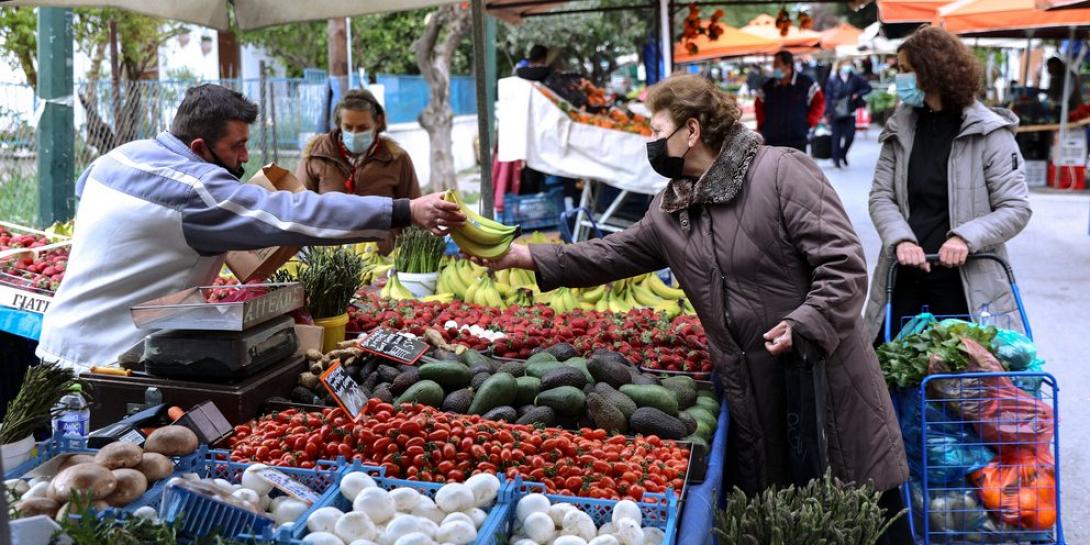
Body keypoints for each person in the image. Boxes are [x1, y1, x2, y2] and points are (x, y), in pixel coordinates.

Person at [477, 74, 909, 538]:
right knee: (789, 522)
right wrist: (521, 256)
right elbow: (610, 254)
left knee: (859, 519)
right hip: (751, 391)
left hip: (823, 382)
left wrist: (804, 322)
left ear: (692, 131)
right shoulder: (670, 208)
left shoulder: (781, 171)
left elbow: (844, 267)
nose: (651, 142)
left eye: (657, 130)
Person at [36, 84, 465, 371]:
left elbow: (87, 193)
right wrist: (404, 210)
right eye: (237, 146)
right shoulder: (197, 188)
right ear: (200, 147)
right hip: (106, 359)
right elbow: (298, 214)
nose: (245, 157)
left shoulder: (118, 158)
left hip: (58, 342)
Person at [865, 27, 1032, 349]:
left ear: (930, 72)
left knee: (963, 386)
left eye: (904, 70)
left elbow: (1016, 208)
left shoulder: (991, 134)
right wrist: (901, 240)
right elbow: (881, 196)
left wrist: (965, 237)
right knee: (889, 375)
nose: (899, 79)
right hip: (902, 278)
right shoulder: (899, 129)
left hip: (967, 286)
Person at [296, 89, 422, 252]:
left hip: (383, 258)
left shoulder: (397, 159)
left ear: (378, 122)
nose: (354, 134)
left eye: (362, 128)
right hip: (329, 258)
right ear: (339, 125)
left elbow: (415, 213)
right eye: (348, 127)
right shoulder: (316, 155)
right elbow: (299, 209)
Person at [755, 50, 825, 151]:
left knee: (797, 167)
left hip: (798, 139)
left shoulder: (806, 83)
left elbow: (819, 103)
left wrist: (810, 122)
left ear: (788, 65)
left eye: (777, 64)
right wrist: (762, 126)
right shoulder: (767, 87)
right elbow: (758, 106)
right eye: (773, 65)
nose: (774, 68)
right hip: (773, 141)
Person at [825, 59, 872, 168]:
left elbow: (868, 88)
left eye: (849, 64)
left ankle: (843, 154)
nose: (847, 66)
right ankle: (836, 161)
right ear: (840, 65)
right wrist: (827, 112)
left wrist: (857, 94)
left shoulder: (855, 78)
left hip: (850, 111)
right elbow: (828, 96)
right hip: (835, 111)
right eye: (845, 64)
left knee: (850, 136)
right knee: (836, 137)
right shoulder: (832, 78)